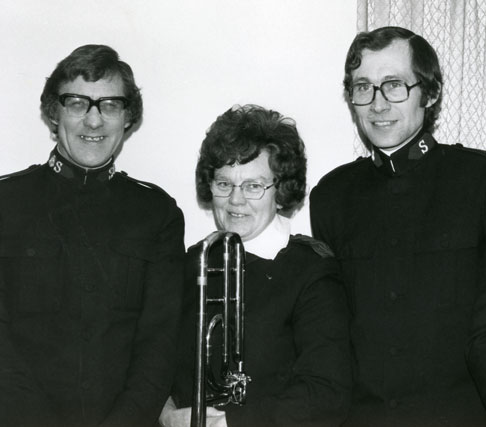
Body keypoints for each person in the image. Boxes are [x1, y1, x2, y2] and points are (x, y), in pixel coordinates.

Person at [310, 26, 486, 426]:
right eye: (363, 87)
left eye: (393, 85)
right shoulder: (331, 195)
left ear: (429, 94)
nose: (377, 104)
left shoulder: (484, 180)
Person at [0, 45, 185, 427]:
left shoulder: (158, 214)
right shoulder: (6, 203)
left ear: (128, 118)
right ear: (54, 112)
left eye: (110, 105)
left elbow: (159, 346)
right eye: (77, 103)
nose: (94, 120)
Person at [160, 104, 351, 427]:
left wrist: (228, 423)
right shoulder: (192, 262)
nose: (236, 200)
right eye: (224, 184)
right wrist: (164, 413)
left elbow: (326, 392)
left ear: (281, 190)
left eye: (253, 186)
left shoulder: (312, 271)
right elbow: (154, 360)